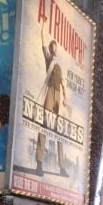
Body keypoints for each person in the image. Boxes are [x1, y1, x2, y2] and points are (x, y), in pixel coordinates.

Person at [36, 17, 68, 177]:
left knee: (58, 130)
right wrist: (43, 25)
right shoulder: (49, 59)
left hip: (57, 96)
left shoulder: (59, 65)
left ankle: (62, 167)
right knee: (44, 125)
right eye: (52, 47)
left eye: (55, 48)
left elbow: (63, 83)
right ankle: (39, 162)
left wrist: (65, 98)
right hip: (49, 93)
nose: (54, 49)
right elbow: (42, 40)